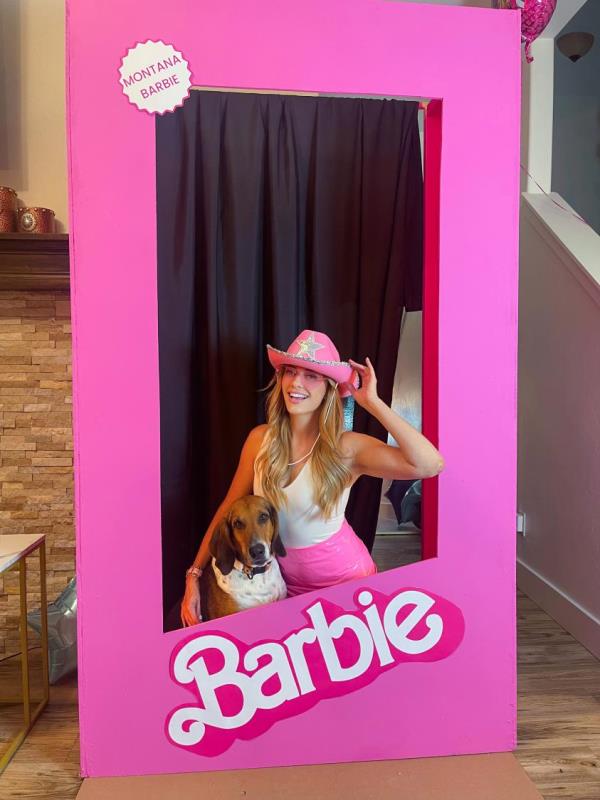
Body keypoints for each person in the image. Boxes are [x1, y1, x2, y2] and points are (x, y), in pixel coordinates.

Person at [180, 330, 444, 626]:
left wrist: (373, 403)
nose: (296, 383)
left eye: (311, 376)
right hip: (286, 589)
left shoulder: (345, 447)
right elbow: (229, 508)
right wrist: (194, 575)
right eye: (290, 372)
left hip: (346, 586)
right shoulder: (259, 441)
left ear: (330, 388)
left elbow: (430, 464)